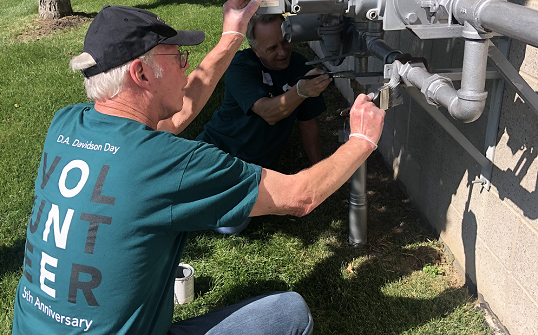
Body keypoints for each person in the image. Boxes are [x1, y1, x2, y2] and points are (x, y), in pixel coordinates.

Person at [11, 2, 385, 335]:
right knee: (290, 312)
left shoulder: (66, 124)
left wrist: (231, 36)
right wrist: (362, 140)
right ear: (142, 74)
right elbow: (300, 197)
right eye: (179, 59)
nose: (185, 68)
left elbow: (184, 108)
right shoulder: (165, 162)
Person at [189, 14, 332, 234]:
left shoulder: (301, 66)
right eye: (272, 48)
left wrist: (320, 173)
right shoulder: (240, 66)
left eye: (285, 42)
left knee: (230, 225)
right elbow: (269, 112)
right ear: (256, 50)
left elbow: (308, 123)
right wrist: (300, 91)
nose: (282, 52)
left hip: (254, 167)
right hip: (216, 149)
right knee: (174, 192)